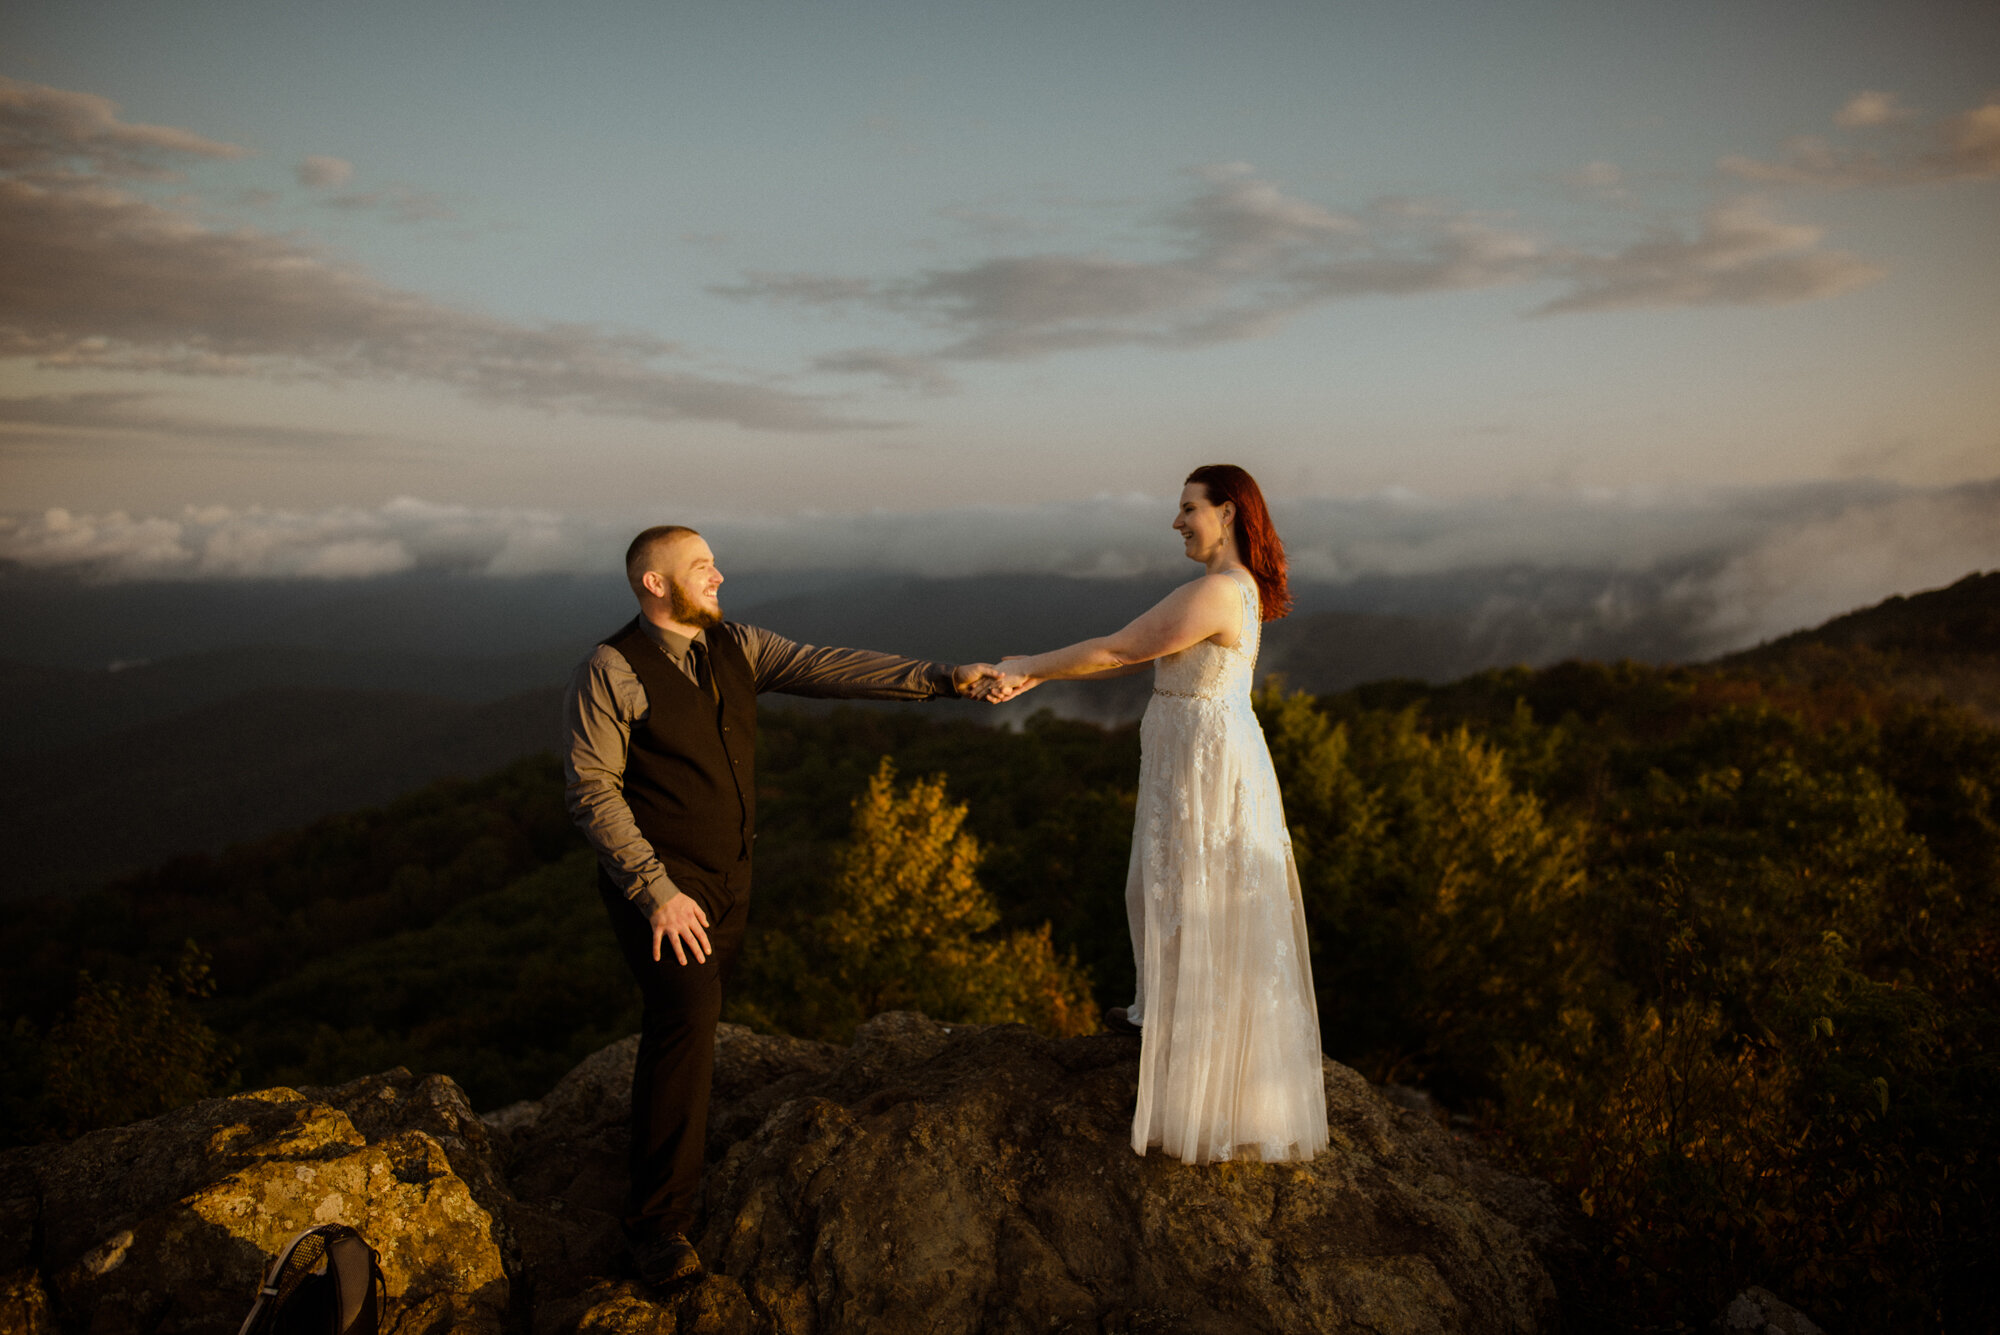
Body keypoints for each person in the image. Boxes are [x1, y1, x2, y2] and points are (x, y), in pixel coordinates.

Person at [564, 525, 1003, 1287]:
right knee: (687, 1022)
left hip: (732, 878)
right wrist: (656, 891)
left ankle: (662, 1169)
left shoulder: (738, 644)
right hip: (664, 890)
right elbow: (590, 788)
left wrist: (943, 677)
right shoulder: (612, 667)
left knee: (684, 1029)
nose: (720, 576)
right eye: (702, 568)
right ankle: (654, 1231)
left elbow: (831, 666)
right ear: (654, 583)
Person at [981, 465, 1329, 1163]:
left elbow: (1122, 646)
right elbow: (1130, 657)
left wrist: (1027, 661)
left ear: (1227, 512)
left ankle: (1194, 1071)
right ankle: (1165, 1026)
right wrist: (1040, 675)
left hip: (1204, 763)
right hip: (1194, 757)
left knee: (1190, 899)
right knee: (1162, 891)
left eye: (1188, 508)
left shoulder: (1219, 592)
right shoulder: (1230, 591)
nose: (1177, 521)